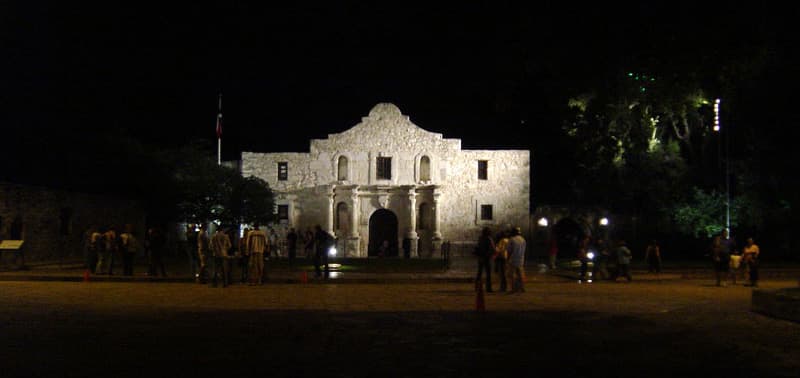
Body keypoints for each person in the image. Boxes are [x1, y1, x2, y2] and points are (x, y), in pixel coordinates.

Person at [474, 227, 495, 293]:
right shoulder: (489, 239)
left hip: (481, 257)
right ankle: (488, 288)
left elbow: (478, 246)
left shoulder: (480, 238)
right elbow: (492, 248)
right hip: (487, 258)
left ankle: (477, 287)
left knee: (479, 273)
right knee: (488, 273)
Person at [507, 227, 527, 293]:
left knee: (512, 275)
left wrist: (507, 259)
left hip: (513, 259)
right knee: (521, 274)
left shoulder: (512, 239)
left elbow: (509, 251)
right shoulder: (523, 239)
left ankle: (513, 289)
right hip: (521, 259)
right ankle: (522, 288)